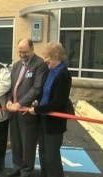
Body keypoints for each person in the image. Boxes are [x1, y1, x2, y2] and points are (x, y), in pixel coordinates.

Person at [28, 42, 73, 177]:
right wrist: (37, 102)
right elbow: (45, 92)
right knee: (42, 152)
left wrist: (37, 110)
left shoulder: (64, 75)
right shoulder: (50, 71)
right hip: (43, 118)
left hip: (54, 121)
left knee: (51, 156)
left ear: (56, 56)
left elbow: (58, 102)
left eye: (46, 57)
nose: (45, 60)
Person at [6, 38, 48, 177]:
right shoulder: (16, 65)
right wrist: (9, 101)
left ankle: (26, 171)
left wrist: (20, 103)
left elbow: (36, 89)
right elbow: (11, 86)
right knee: (16, 143)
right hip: (14, 111)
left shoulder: (40, 64)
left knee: (28, 144)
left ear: (32, 49)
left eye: (24, 52)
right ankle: (17, 168)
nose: (22, 54)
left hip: (27, 112)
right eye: (19, 52)